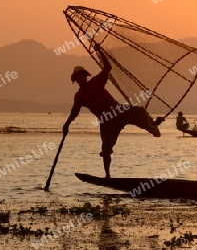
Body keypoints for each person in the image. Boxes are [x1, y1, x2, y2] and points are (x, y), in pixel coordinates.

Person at [63, 42, 162, 178]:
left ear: (86, 76)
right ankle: (107, 175)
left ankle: (153, 126)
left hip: (117, 110)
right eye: (78, 77)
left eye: (82, 75)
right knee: (106, 149)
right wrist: (66, 124)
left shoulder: (96, 81)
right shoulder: (79, 96)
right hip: (106, 120)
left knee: (139, 112)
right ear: (76, 80)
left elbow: (107, 67)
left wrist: (99, 51)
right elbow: (74, 113)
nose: (81, 78)